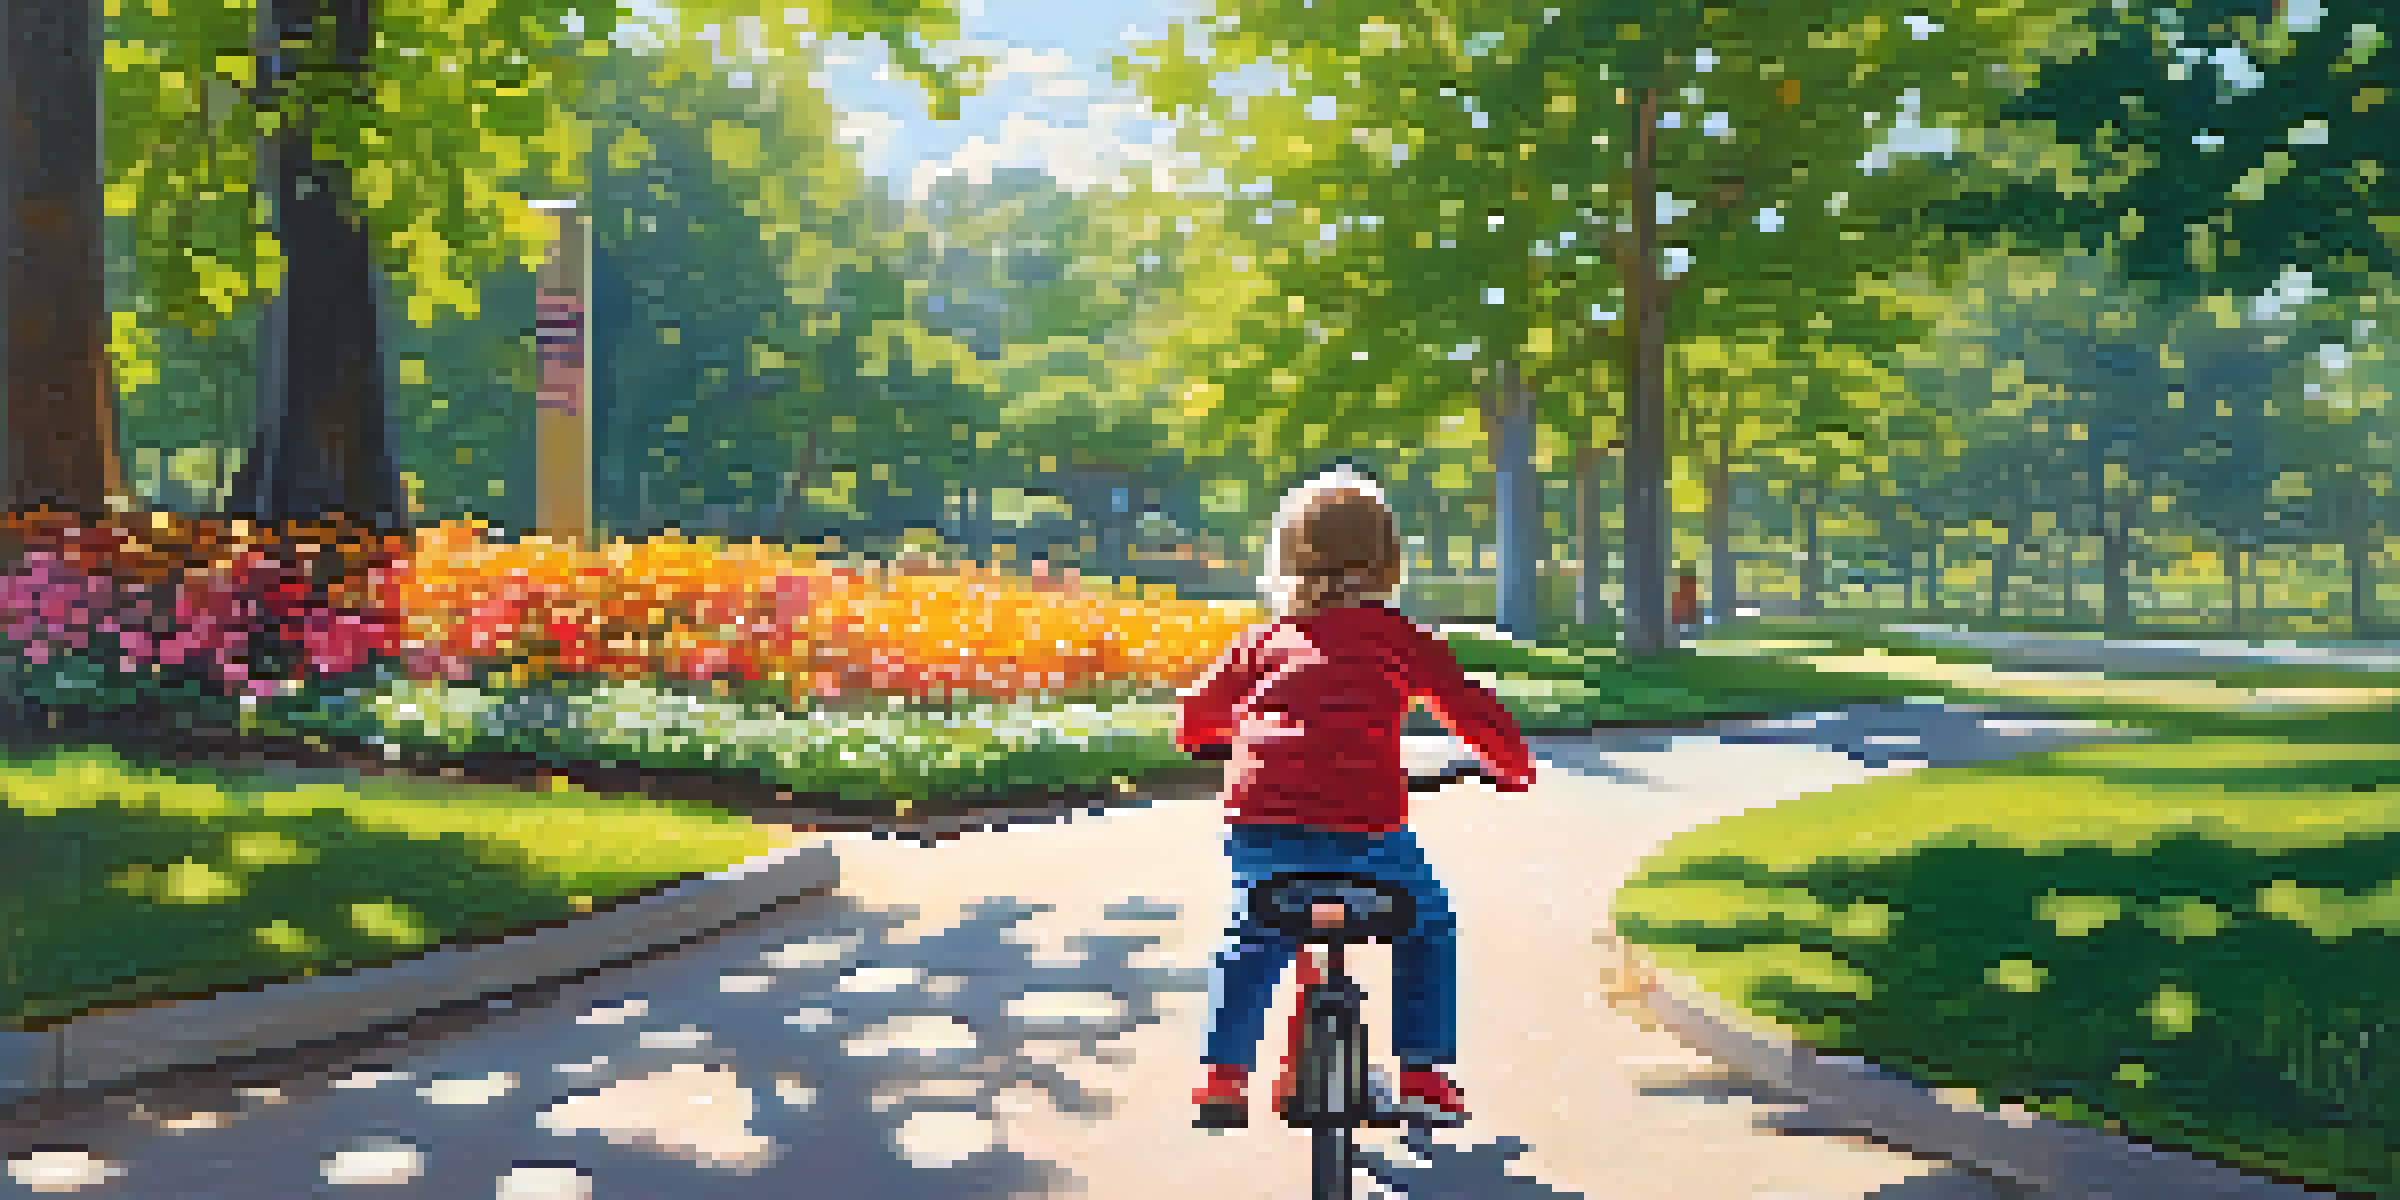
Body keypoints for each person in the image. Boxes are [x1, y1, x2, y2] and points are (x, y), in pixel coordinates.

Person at [1176, 462, 1536, 1129]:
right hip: (1369, 831)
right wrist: (1510, 767)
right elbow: (1471, 709)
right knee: (1429, 925)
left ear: (1288, 557)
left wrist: (1216, 743)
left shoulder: (1263, 643)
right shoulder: (1403, 640)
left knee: (1250, 936)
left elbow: (1196, 719)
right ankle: (1424, 1073)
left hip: (1264, 825)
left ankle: (1223, 1079)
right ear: (1389, 561)